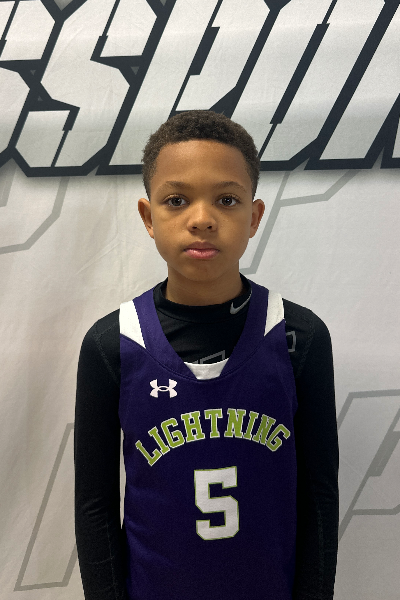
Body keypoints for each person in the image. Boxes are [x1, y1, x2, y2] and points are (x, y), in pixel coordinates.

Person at [74, 110, 339, 600]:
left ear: (254, 217)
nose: (201, 219)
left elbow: (319, 496)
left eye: (227, 199)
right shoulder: (111, 344)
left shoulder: (299, 337)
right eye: (176, 200)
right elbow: (94, 506)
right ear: (148, 217)